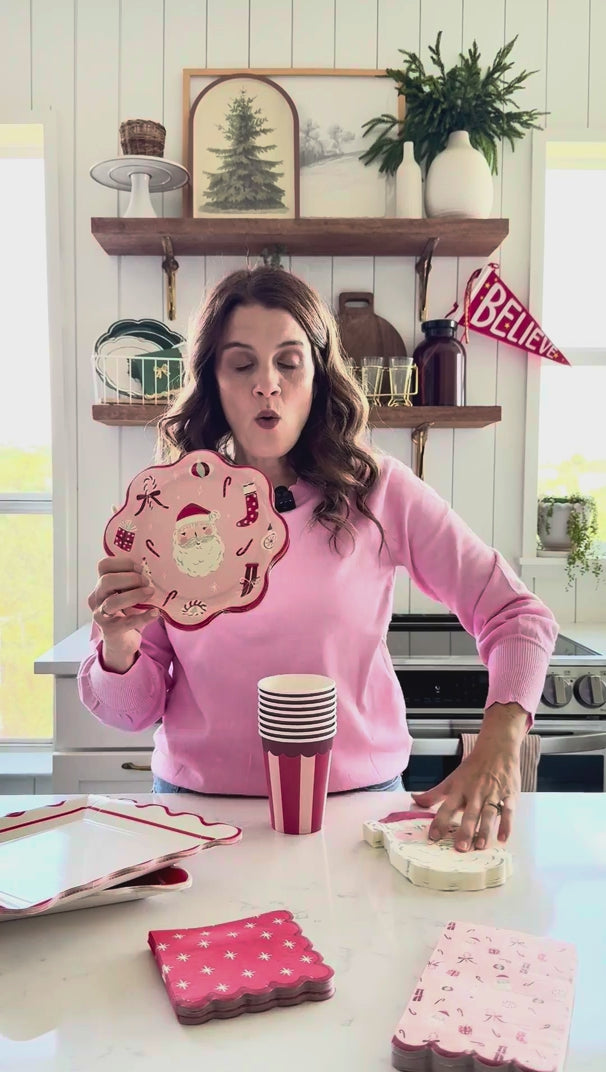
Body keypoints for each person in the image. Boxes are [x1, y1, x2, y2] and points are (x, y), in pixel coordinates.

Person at [79, 267, 558, 852]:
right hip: (197, 817)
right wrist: (120, 647)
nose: (267, 385)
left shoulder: (379, 491)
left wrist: (501, 740)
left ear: (318, 371)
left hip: (356, 811)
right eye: (241, 363)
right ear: (214, 381)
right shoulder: (169, 509)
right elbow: (131, 713)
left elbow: (517, 614)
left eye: (288, 360)